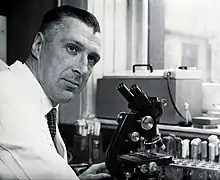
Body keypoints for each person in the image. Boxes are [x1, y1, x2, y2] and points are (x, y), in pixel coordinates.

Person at [0, 5, 111, 180]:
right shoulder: (9, 97)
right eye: (72, 48)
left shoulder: (42, 103)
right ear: (38, 46)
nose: (82, 69)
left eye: (91, 58)